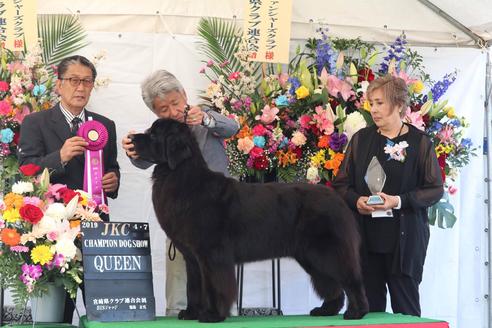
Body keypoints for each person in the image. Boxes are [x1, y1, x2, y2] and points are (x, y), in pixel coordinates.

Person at [121, 69, 239, 316]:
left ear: (184, 94)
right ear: (155, 112)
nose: (172, 112)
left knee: (216, 264)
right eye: (163, 109)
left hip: (217, 213)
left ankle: (220, 310)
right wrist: (134, 150)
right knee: (179, 270)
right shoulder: (162, 132)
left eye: (175, 103)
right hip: (182, 215)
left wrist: (206, 118)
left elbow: (233, 127)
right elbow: (144, 161)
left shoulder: (206, 118)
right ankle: (179, 312)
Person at [17, 55, 120, 323]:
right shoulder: (35, 123)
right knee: (56, 315)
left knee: (103, 311)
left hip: (96, 228)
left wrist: (113, 179)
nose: (81, 88)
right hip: (52, 231)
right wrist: (59, 158)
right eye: (74, 80)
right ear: (59, 85)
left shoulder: (105, 125)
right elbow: (25, 170)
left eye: (87, 81)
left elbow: (112, 167)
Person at [332, 75, 444, 316]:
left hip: (404, 243)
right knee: (368, 312)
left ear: (399, 105)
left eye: (380, 103)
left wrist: (399, 201)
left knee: (407, 311)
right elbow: (340, 185)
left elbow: (434, 189)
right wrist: (356, 201)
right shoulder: (361, 140)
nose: (373, 109)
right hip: (366, 240)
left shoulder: (420, 142)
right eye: (371, 103)